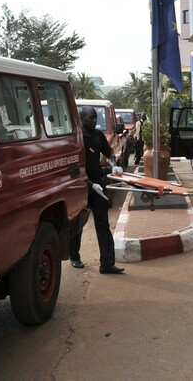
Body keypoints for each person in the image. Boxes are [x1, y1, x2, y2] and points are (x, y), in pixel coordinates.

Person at [69, 106, 124, 274]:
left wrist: (114, 166)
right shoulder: (75, 139)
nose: (94, 120)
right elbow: (73, 169)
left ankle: (107, 263)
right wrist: (90, 184)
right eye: (91, 118)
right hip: (81, 187)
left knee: (103, 224)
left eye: (95, 118)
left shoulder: (98, 135)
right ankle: (74, 256)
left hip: (99, 186)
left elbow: (109, 154)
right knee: (78, 224)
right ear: (81, 119)